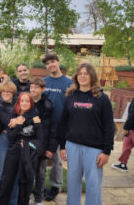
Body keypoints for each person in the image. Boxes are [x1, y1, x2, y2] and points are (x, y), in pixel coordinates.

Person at [59, 63, 114, 205]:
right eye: (80, 73)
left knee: (93, 186)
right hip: (72, 146)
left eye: (86, 73)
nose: (82, 76)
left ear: (92, 76)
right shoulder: (70, 96)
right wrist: (62, 146)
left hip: (94, 149)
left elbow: (109, 126)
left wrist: (106, 151)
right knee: (72, 184)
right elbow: (63, 123)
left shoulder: (102, 98)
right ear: (76, 76)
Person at [0, 92, 43, 205]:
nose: (24, 103)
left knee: (25, 183)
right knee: (6, 182)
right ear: (18, 103)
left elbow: (40, 141)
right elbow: (10, 136)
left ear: (31, 104)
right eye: (22, 101)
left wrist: (27, 145)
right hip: (13, 152)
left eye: (27, 101)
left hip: (29, 154)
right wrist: (19, 124)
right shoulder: (14, 117)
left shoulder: (36, 118)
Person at [42, 53, 72, 201]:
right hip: (45, 127)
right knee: (41, 158)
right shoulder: (44, 82)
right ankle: (40, 186)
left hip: (61, 127)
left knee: (57, 160)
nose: (50, 65)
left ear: (59, 62)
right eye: (47, 63)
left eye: (53, 62)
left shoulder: (68, 83)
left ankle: (55, 186)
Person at [30, 77, 58, 205]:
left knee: (41, 174)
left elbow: (53, 129)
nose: (33, 89)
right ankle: (24, 196)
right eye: (32, 87)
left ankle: (38, 199)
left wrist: (51, 148)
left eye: (36, 87)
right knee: (26, 172)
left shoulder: (48, 106)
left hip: (42, 145)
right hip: (28, 144)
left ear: (43, 89)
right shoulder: (26, 102)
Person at [0, 81, 19, 205]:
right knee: (0, 172)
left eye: (9, 91)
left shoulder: (18, 105)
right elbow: (6, 121)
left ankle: (12, 202)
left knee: (15, 173)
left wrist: (20, 120)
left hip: (17, 139)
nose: (6, 93)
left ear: (13, 93)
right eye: (3, 91)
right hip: (3, 138)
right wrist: (19, 120)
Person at [112, 101, 134, 172]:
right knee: (126, 146)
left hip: (130, 127)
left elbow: (132, 115)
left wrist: (126, 127)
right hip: (131, 128)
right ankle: (123, 164)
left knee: (126, 145)